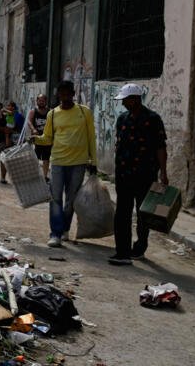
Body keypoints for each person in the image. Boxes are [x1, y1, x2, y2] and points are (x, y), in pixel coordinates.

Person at [31, 80, 97, 248]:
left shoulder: (84, 112)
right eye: (62, 94)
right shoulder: (53, 114)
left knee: (71, 199)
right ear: (58, 95)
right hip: (58, 162)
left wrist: (94, 161)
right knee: (55, 198)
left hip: (79, 163)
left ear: (73, 94)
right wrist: (36, 139)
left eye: (68, 94)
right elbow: (47, 138)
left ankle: (65, 228)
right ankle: (55, 234)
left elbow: (91, 137)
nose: (65, 97)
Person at [109, 83, 168, 266]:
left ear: (135, 99)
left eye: (125, 100)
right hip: (124, 174)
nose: (123, 103)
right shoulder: (122, 119)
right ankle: (122, 252)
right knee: (122, 213)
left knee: (143, 214)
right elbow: (118, 144)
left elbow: (160, 147)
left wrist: (164, 172)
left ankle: (140, 247)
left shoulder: (153, 119)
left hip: (145, 174)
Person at [26, 94, 53, 178]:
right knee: (35, 158)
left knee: (46, 159)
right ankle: (35, 175)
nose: (41, 102)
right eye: (40, 101)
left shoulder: (50, 112)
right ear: (37, 101)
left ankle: (45, 176)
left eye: (43, 101)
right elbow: (29, 121)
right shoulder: (33, 111)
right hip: (36, 139)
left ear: (46, 101)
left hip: (47, 140)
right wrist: (33, 129)